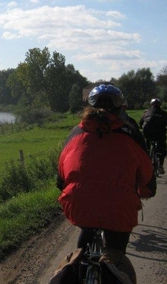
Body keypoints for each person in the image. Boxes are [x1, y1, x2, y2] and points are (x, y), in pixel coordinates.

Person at [57, 84, 156, 262]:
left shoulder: (75, 133)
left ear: (90, 107)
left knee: (86, 231)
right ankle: (113, 279)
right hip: (119, 208)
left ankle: (75, 269)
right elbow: (147, 175)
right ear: (120, 107)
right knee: (115, 258)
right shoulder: (130, 133)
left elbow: (61, 177)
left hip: (79, 205)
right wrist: (147, 190)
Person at [139, 98, 167, 174]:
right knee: (162, 146)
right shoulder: (163, 113)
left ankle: (147, 156)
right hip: (159, 134)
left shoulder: (146, 113)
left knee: (146, 143)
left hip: (147, 134)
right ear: (160, 105)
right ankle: (161, 166)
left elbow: (140, 123)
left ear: (151, 105)